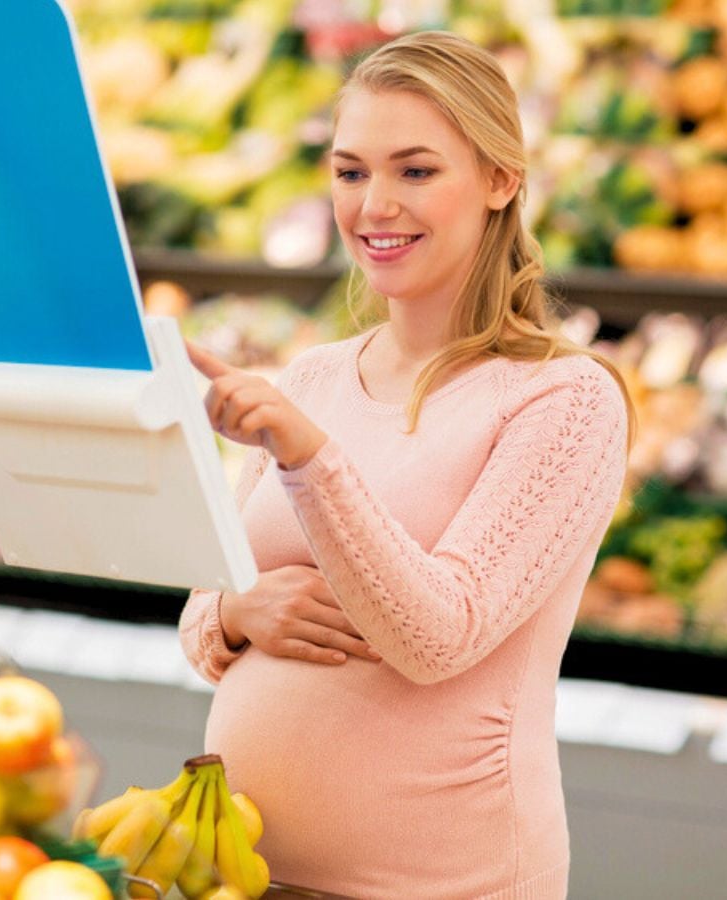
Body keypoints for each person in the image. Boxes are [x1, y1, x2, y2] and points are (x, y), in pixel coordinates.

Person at [180, 30, 634, 898]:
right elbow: (205, 617)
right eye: (351, 173)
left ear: (501, 181)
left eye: (415, 171)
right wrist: (237, 612)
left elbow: (437, 635)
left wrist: (310, 455)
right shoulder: (313, 375)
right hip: (241, 873)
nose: (373, 205)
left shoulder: (563, 399)